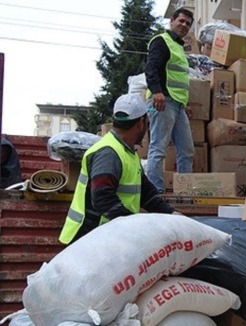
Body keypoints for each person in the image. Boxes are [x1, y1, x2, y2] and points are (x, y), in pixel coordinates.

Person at [59, 94, 181, 245]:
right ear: (140, 124)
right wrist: (135, 225)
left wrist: (171, 213)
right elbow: (103, 198)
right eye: (147, 122)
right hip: (88, 241)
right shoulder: (109, 153)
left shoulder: (127, 153)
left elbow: (146, 193)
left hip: (104, 237)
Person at [145, 8, 195, 193]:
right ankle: (155, 192)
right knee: (158, 148)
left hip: (177, 104)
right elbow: (151, 68)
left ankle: (185, 190)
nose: (184, 25)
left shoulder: (179, 47)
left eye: (188, 24)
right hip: (163, 101)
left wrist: (185, 103)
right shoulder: (161, 41)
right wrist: (156, 92)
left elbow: (177, 78)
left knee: (187, 150)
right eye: (181, 21)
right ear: (171, 21)